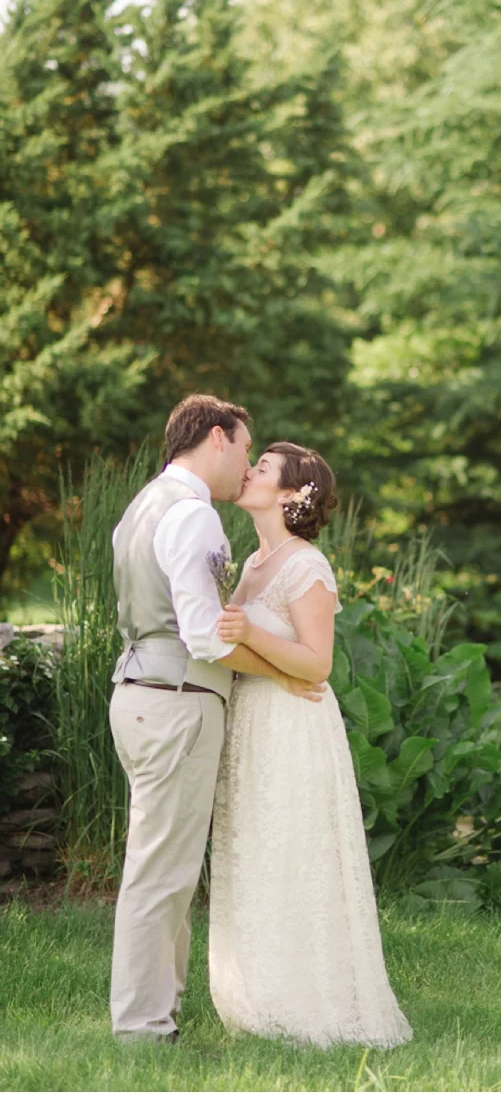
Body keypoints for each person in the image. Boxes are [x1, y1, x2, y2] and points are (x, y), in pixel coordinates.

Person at [108, 395, 324, 1043]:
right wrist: (285, 674)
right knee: (161, 874)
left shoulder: (142, 507)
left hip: (140, 693)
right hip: (177, 700)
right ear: (218, 438)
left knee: (160, 866)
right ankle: (143, 1029)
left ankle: (157, 1014)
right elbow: (204, 637)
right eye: (247, 451)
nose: (249, 467)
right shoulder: (194, 516)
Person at [208, 441, 412, 1048]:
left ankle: (307, 1003)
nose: (249, 472)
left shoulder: (307, 566)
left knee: (292, 851)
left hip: (293, 726)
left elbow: (317, 663)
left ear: (295, 494)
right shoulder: (251, 563)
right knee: (254, 850)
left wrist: (248, 630)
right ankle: (258, 996)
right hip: (251, 720)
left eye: (263, 469)